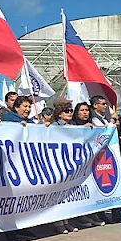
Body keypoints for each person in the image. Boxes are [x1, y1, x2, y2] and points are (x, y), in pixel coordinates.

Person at [46, 98, 80, 232]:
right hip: (57, 164)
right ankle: (58, 223)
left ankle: (66, 221)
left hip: (69, 164)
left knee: (67, 193)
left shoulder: (73, 126)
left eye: (71, 110)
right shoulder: (54, 127)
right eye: (67, 111)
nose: (70, 113)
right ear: (59, 113)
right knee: (57, 194)